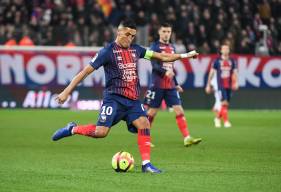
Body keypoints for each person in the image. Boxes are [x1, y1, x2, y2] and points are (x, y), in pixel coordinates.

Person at [51, 19, 199, 173]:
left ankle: (146, 164)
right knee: (101, 132)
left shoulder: (137, 50)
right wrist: (66, 92)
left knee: (144, 123)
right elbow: (84, 73)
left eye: (133, 36)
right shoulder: (106, 52)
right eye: (127, 34)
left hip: (133, 101)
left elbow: (162, 57)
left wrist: (186, 55)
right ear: (119, 32)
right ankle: (73, 129)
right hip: (113, 99)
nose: (130, 38)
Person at [143, 23, 202, 147]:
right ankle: (145, 139)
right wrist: (165, 72)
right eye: (164, 31)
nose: (166, 34)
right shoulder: (154, 46)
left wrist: (175, 83)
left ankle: (187, 137)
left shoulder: (172, 47)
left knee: (179, 109)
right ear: (159, 32)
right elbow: (154, 66)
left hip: (170, 85)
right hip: (157, 84)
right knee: (152, 113)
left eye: (168, 31)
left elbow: (171, 67)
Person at [205, 42, 238, 128]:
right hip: (221, 86)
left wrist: (236, 82)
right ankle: (226, 121)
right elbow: (211, 73)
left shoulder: (232, 61)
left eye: (227, 48)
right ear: (221, 50)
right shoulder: (217, 61)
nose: (226, 50)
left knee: (226, 104)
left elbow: (235, 73)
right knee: (224, 103)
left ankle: (217, 118)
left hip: (229, 85)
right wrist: (208, 84)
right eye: (224, 49)